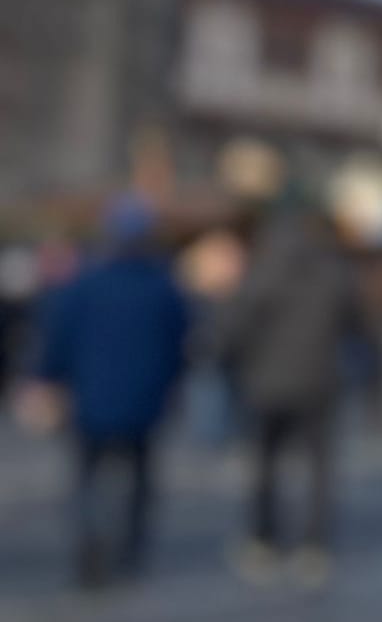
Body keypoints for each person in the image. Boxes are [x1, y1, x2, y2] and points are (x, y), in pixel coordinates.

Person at [31, 194, 190, 588]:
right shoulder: (163, 287)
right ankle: (130, 551)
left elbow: (58, 341)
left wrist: (47, 378)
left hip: (92, 400)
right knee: (137, 478)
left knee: (88, 479)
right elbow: (180, 344)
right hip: (143, 400)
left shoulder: (85, 285)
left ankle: (91, 546)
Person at [219, 189, 357, 586]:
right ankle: (313, 545)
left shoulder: (262, 271)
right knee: (318, 468)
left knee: (264, 465)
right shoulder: (333, 271)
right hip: (318, 380)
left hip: (266, 382)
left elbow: (236, 326)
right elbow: (356, 323)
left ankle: (264, 538)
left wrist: (232, 361)